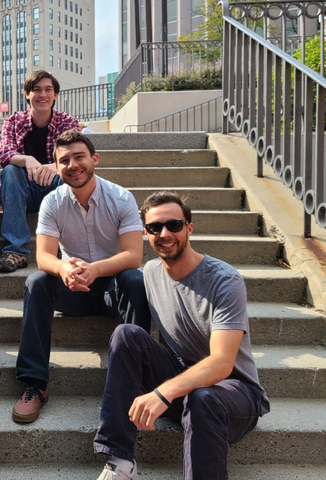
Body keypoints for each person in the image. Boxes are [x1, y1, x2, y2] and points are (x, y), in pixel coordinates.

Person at [92, 191, 270, 480]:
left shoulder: (224, 281)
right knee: (126, 334)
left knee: (203, 397)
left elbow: (222, 364)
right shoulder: (150, 272)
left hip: (234, 396)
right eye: (154, 228)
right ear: (146, 234)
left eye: (173, 225)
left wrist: (163, 392)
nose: (164, 233)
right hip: (183, 386)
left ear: (189, 227)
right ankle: (121, 462)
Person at [12, 129, 151, 423]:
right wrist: (64, 269)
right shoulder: (52, 202)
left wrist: (96, 269)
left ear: (95, 159)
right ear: (57, 167)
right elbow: (44, 257)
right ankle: (35, 384)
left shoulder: (121, 197)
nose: (73, 165)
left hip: (111, 288)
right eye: (64, 161)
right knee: (36, 281)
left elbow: (132, 255)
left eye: (79, 157)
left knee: (135, 279)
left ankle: (133, 381)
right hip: (72, 288)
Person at [0, 70, 80, 273]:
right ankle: (15, 251)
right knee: (11, 171)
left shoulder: (67, 122)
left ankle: (69, 249)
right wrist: (27, 159)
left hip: (55, 190)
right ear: (27, 94)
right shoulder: (13, 121)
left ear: (55, 95)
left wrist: (56, 165)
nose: (42, 95)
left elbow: (76, 156)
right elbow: (4, 154)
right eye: (36, 90)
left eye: (48, 90)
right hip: (25, 191)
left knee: (70, 172)